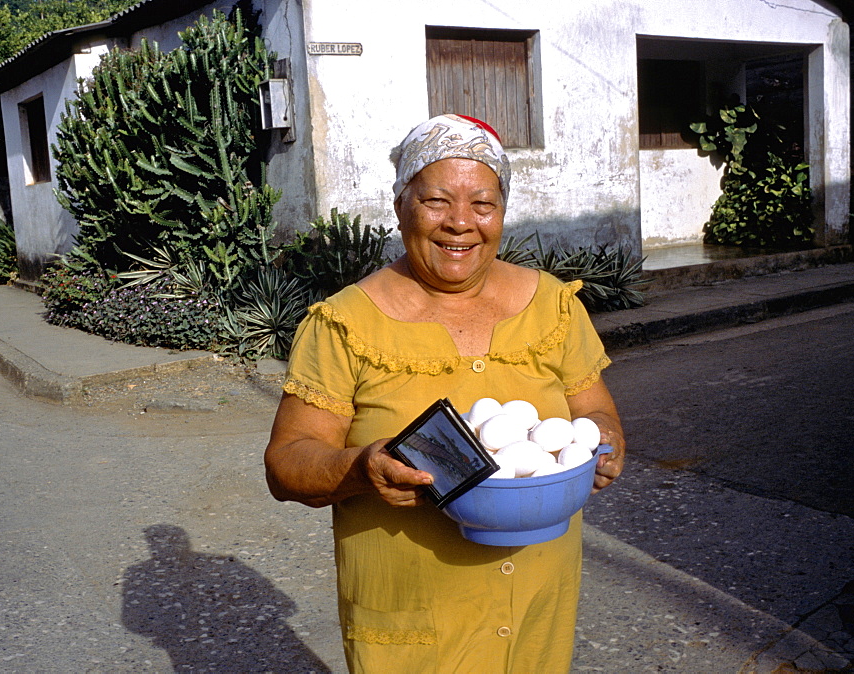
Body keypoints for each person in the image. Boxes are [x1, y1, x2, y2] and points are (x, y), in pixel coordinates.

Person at [264, 113, 625, 672]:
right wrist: (363, 467)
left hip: (535, 606)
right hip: (414, 619)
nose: (461, 223)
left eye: (483, 204)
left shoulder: (552, 306)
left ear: (501, 213)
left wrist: (602, 443)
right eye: (436, 201)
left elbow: (593, 409)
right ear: (400, 205)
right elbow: (287, 464)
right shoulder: (345, 324)